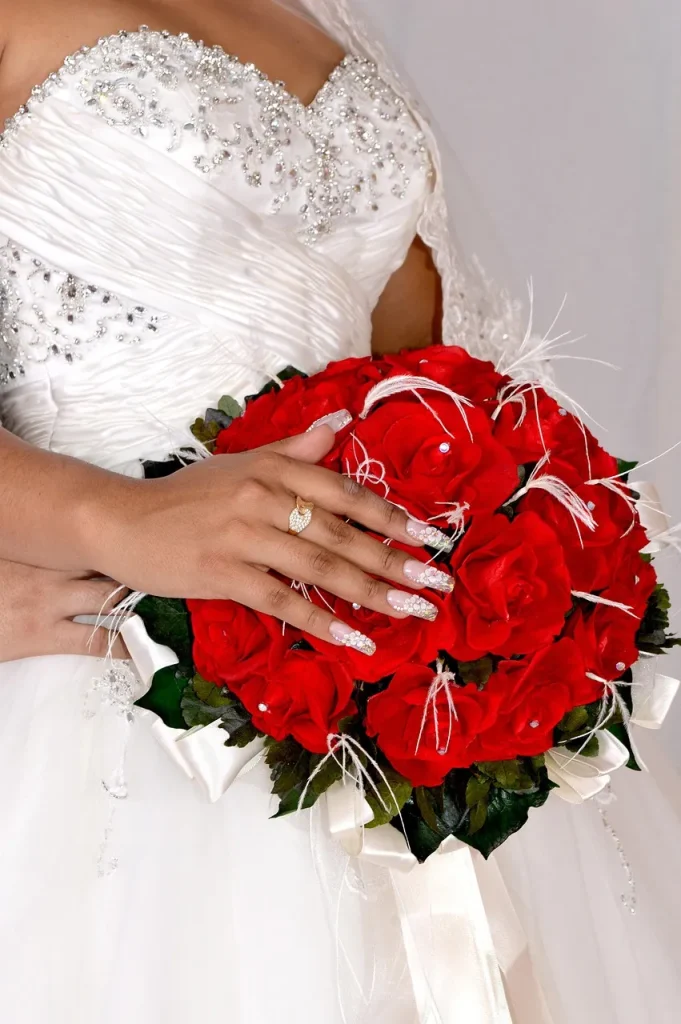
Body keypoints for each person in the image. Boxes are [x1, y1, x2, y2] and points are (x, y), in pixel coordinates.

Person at [0, 2, 680, 1022]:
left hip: (367, 716)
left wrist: (526, 551)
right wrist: (112, 519)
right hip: (113, 716)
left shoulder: (310, 10)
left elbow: (423, 369)